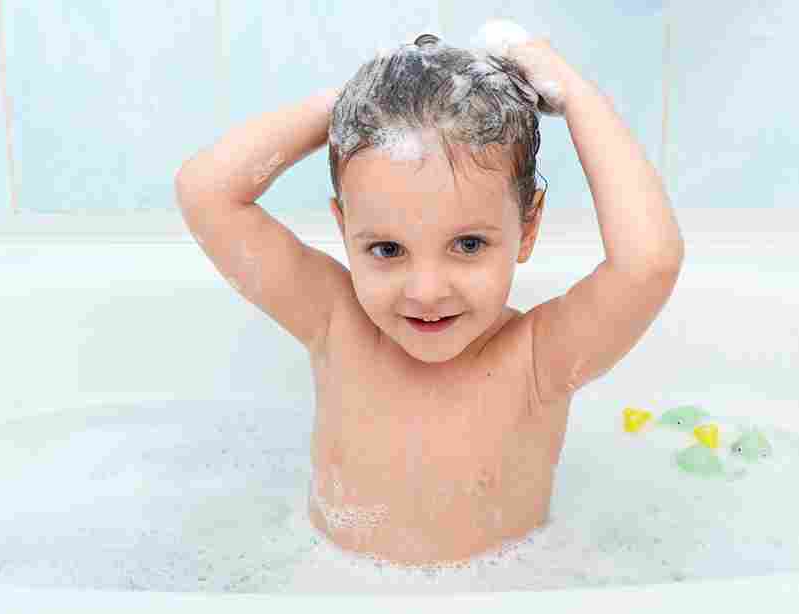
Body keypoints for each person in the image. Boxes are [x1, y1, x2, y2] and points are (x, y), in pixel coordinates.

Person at [174, 27, 684, 568]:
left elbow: (648, 263)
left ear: (527, 228)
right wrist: (349, 104)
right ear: (345, 230)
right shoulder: (335, 322)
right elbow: (205, 192)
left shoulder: (539, 358)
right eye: (388, 249)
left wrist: (573, 94)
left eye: (468, 244)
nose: (426, 291)